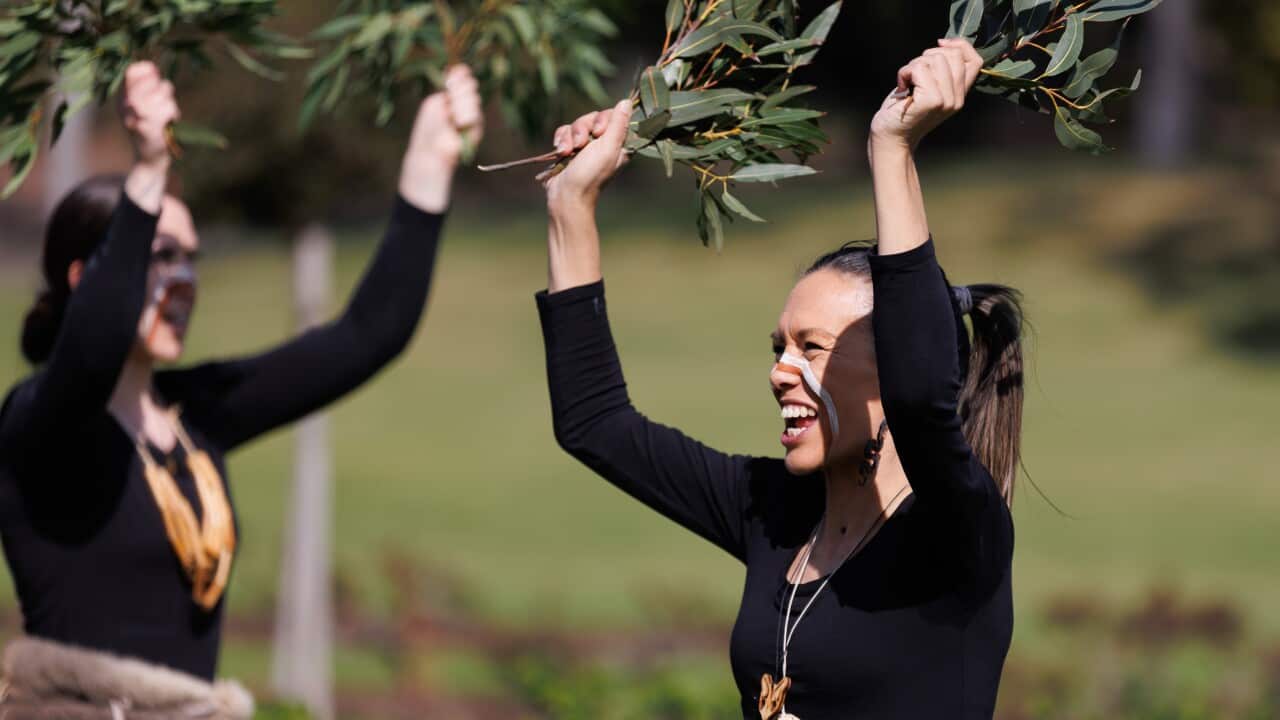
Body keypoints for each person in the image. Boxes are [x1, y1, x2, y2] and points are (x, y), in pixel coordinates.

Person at [535, 39, 1023, 718]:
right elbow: (595, 423)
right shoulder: (778, 512)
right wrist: (570, 204)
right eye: (778, 348)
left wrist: (891, 149)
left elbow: (919, 398)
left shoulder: (956, 529)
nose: (780, 373)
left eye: (812, 349)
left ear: (893, 366)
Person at [0, 61, 482, 716]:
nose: (185, 278)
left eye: (192, 257)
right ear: (85, 277)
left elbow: (368, 335)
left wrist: (430, 161)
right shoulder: (39, 424)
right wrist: (148, 170)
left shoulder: (194, 414)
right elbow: (90, 354)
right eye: (161, 255)